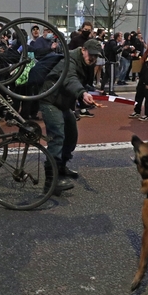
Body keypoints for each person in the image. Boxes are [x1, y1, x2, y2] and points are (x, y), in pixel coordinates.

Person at [39, 39, 100, 193]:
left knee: (71, 134)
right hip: (50, 100)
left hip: (63, 102)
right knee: (57, 135)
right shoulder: (70, 59)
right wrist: (82, 93)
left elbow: (81, 84)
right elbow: (70, 79)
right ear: (83, 49)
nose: (92, 58)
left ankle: (61, 167)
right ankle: (50, 182)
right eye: (91, 54)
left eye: (95, 56)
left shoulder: (87, 64)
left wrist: (86, 96)